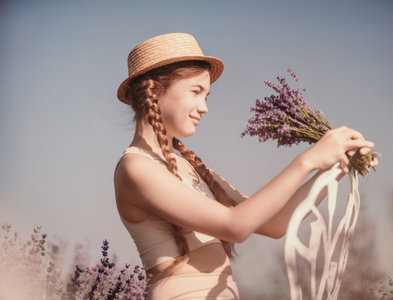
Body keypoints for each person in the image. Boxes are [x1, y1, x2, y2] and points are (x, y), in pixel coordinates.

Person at [114, 33, 378, 299]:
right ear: (155, 90)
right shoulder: (136, 168)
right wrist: (307, 160)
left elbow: (275, 223)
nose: (204, 107)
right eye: (196, 92)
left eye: (207, 96)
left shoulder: (191, 166)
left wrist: (335, 168)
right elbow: (235, 226)